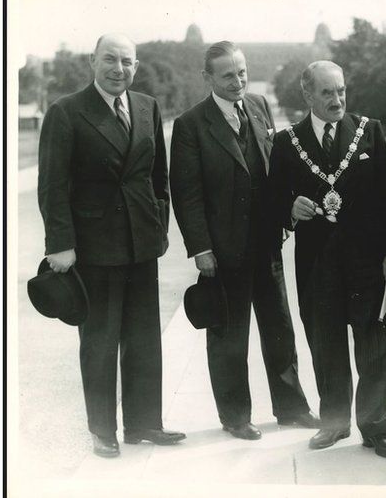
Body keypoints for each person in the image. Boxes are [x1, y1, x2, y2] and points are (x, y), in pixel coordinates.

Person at [37, 33, 186, 458]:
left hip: (141, 243)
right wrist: (60, 244)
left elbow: (159, 175)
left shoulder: (147, 106)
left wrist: (158, 223)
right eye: (110, 60)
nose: (119, 69)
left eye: (127, 61)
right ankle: (103, 430)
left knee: (143, 338)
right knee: (100, 340)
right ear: (92, 62)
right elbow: (52, 184)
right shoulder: (66, 112)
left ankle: (144, 424)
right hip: (93, 246)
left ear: (136, 66)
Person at [170, 41, 317, 440]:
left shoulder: (258, 106)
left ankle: (291, 408)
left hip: (266, 242)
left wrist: (285, 213)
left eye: (242, 72)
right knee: (229, 337)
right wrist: (201, 249)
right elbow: (187, 194)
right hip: (222, 250)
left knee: (280, 328)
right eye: (227, 75)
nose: (238, 81)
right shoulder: (190, 125)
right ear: (208, 79)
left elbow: (275, 171)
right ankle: (235, 417)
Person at [267, 61, 386, 458]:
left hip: (368, 263)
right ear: (307, 95)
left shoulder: (369, 131)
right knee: (325, 347)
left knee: (376, 348)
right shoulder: (286, 141)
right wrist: (290, 207)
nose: (337, 100)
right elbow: (272, 201)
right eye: (327, 93)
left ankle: (377, 429)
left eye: (341, 90)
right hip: (317, 266)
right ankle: (333, 423)